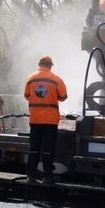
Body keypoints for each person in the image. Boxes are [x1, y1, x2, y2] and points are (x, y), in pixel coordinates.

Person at [23, 56, 68, 184]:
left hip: (35, 119)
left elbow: (27, 96)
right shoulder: (56, 79)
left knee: (34, 148)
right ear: (50, 66)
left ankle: (31, 176)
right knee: (48, 149)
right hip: (50, 121)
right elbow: (63, 96)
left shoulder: (30, 78)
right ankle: (47, 176)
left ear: (39, 64)